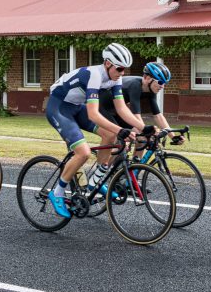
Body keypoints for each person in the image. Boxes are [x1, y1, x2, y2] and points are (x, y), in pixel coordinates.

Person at [45, 43, 150, 218]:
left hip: (77, 107)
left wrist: (144, 128)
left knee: (110, 135)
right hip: (59, 108)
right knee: (83, 153)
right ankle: (57, 192)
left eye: (125, 69)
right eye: (120, 68)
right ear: (108, 63)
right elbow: (93, 114)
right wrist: (120, 129)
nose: (122, 73)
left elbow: (122, 109)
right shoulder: (94, 75)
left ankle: (96, 179)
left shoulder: (115, 77)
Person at [98, 61, 185, 146]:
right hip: (102, 108)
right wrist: (146, 130)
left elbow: (158, 115)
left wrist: (172, 137)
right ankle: (106, 160)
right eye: (160, 82)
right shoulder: (135, 86)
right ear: (147, 78)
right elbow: (136, 115)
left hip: (117, 110)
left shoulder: (151, 90)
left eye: (164, 83)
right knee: (123, 139)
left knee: (142, 139)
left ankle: (137, 161)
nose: (162, 86)